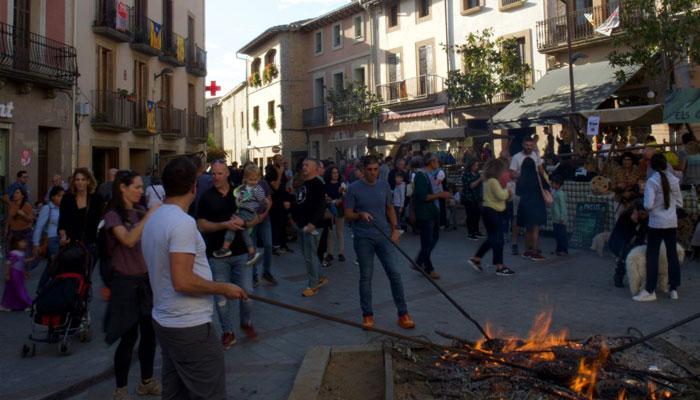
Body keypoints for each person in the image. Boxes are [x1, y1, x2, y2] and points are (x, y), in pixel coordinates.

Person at [142, 157, 247, 400]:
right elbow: (183, 281)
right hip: (189, 326)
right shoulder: (182, 224)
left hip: (166, 321)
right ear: (193, 186)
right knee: (209, 393)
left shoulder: (154, 219)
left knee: (176, 392)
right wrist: (223, 288)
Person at [103, 171, 161, 400]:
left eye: (140, 187)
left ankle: (146, 381)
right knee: (128, 338)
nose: (140, 190)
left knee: (149, 335)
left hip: (145, 280)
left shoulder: (141, 211)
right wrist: (148, 218)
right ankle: (121, 389)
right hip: (125, 282)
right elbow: (128, 240)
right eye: (136, 187)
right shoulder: (112, 216)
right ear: (123, 188)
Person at [344, 155, 415, 330]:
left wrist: (395, 230)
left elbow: (390, 208)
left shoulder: (384, 185)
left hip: (383, 235)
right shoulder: (353, 188)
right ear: (363, 169)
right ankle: (367, 315)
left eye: (376, 169)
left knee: (395, 274)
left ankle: (403, 313)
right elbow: (347, 214)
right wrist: (360, 215)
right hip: (363, 238)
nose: (373, 173)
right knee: (366, 277)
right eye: (369, 169)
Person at [196, 161, 258, 349]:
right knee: (221, 298)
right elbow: (201, 225)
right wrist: (224, 225)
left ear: (227, 174)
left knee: (248, 293)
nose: (216, 177)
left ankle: (245, 322)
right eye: (213, 173)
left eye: (220, 173)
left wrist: (244, 222)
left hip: (241, 253)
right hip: (217, 255)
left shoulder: (241, 193)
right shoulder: (206, 197)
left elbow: (255, 217)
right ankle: (227, 332)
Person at [634, 154, 682, 302]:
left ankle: (650, 290)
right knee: (672, 254)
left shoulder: (652, 182)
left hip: (656, 223)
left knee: (652, 255)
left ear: (652, 166)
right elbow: (679, 203)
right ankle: (673, 288)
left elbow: (648, 205)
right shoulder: (674, 180)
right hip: (671, 222)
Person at [468, 159, 515, 276]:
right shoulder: (493, 181)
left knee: (492, 238)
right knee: (498, 239)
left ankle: (477, 258)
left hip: (488, 210)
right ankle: (499, 266)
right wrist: (508, 192)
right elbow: (500, 195)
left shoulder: (487, 181)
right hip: (494, 212)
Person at [212, 164, 265, 266]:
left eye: (255, 179)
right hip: (242, 210)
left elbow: (262, 201)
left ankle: (225, 247)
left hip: (248, 212)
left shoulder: (257, 189)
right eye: (250, 180)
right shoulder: (244, 187)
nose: (253, 182)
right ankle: (252, 252)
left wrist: (259, 210)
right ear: (245, 178)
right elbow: (240, 198)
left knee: (232, 226)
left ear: (259, 178)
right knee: (243, 232)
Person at [291, 159, 329, 297]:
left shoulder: (318, 184)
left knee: (310, 255)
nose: (304, 167)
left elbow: (321, 205)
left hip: (313, 225)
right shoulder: (304, 184)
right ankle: (320, 277)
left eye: (307, 165)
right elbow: (300, 201)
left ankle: (313, 285)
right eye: (303, 165)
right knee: (309, 254)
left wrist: (313, 222)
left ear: (315, 168)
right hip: (302, 224)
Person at [412, 153, 451, 279]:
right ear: (431, 162)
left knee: (433, 239)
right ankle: (428, 268)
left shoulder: (432, 174)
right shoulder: (421, 176)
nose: (438, 162)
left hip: (433, 211)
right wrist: (440, 195)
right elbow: (423, 197)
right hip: (425, 213)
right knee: (427, 242)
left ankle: (419, 261)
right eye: (436, 161)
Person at [58, 168, 103, 255]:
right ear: (74, 182)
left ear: (88, 181)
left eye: (83, 179)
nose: (80, 182)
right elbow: (62, 221)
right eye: (77, 179)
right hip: (70, 243)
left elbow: (99, 221)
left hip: (90, 244)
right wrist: (63, 236)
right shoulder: (67, 198)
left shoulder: (96, 199)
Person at [609, 200, 648, 288]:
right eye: (641, 214)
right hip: (618, 242)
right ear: (636, 211)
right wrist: (633, 222)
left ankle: (641, 279)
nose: (643, 216)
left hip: (633, 242)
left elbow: (641, 236)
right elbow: (625, 236)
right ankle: (619, 276)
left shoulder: (645, 219)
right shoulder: (625, 216)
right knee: (626, 252)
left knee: (640, 253)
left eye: (645, 214)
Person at [516, 158, 549, 261]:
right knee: (535, 229)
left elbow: (518, 192)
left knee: (528, 228)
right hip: (536, 204)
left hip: (525, 204)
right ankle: (535, 252)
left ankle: (527, 251)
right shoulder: (537, 176)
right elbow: (547, 186)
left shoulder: (521, 178)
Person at [266, 155, 294, 254]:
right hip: (275, 201)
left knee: (283, 222)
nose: (282, 162)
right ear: (274, 161)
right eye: (279, 160)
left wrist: (287, 192)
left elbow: (283, 186)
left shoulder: (282, 171)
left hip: (283, 199)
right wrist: (279, 174)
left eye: (282, 159)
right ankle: (275, 246)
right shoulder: (271, 173)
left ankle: (283, 244)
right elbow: (276, 187)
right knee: (276, 224)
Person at [33, 186, 63, 276]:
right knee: (57, 264)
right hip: (52, 240)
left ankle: (41, 287)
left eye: (63, 196)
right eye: (59, 196)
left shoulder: (63, 208)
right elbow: (39, 226)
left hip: (62, 239)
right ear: (53, 197)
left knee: (51, 265)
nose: (61, 198)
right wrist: (36, 244)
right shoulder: (47, 208)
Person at [0, 237, 32, 311]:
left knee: (12, 289)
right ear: (16, 243)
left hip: (19, 273)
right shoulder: (13, 253)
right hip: (14, 273)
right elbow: (8, 263)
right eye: (22, 242)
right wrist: (7, 274)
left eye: (25, 242)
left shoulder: (22, 253)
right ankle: (27, 303)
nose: (25, 243)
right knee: (19, 289)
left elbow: (23, 262)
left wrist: (33, 258)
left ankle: (8, 305)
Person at [324, 167, 346, 263]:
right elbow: (325, 197)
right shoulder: (326, 185)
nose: (336, 174)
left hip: (340, 210)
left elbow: (345, 195)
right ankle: (330, 253)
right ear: (330, 174)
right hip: (328, 210)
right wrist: (329, 200)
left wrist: (340, 199)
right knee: (329, 233)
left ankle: (341, 253)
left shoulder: (341, 184)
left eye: (337, 173)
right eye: (333, 173)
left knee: (339, 232)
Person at [6, 187, 34, 256]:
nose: (15, 194)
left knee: (25, 254)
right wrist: (6, 229)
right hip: (13, 232)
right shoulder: (11, 204)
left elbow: (31, 220)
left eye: (17, 193)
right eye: (14, 193)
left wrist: (24, 215)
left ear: (22, 196)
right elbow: (9, 218)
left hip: (24, 232)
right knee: (11, 253)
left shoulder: (27, 205)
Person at [461, 159, 484, 240]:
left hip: (476, 198)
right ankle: (471, 233)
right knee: (470, 216)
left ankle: (476, 231)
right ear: (471, 166)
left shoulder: (477, 174)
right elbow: (471, 186)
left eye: (477, 165)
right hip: (468, 198)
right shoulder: (466, 175)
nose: (477, 167)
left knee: (477, 215)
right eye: (475, 165)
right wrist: (480, 179)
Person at [550, 175, 569, 256]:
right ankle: (558, 249)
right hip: (555, 218)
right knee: (557, 235)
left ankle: (564, 250)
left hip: (560, 219)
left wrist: (562, 217)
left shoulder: (560, 194)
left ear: (558, 184)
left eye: (553, 183)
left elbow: (563, 207)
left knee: (561, 235)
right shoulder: (555, 192)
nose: (552, 185)